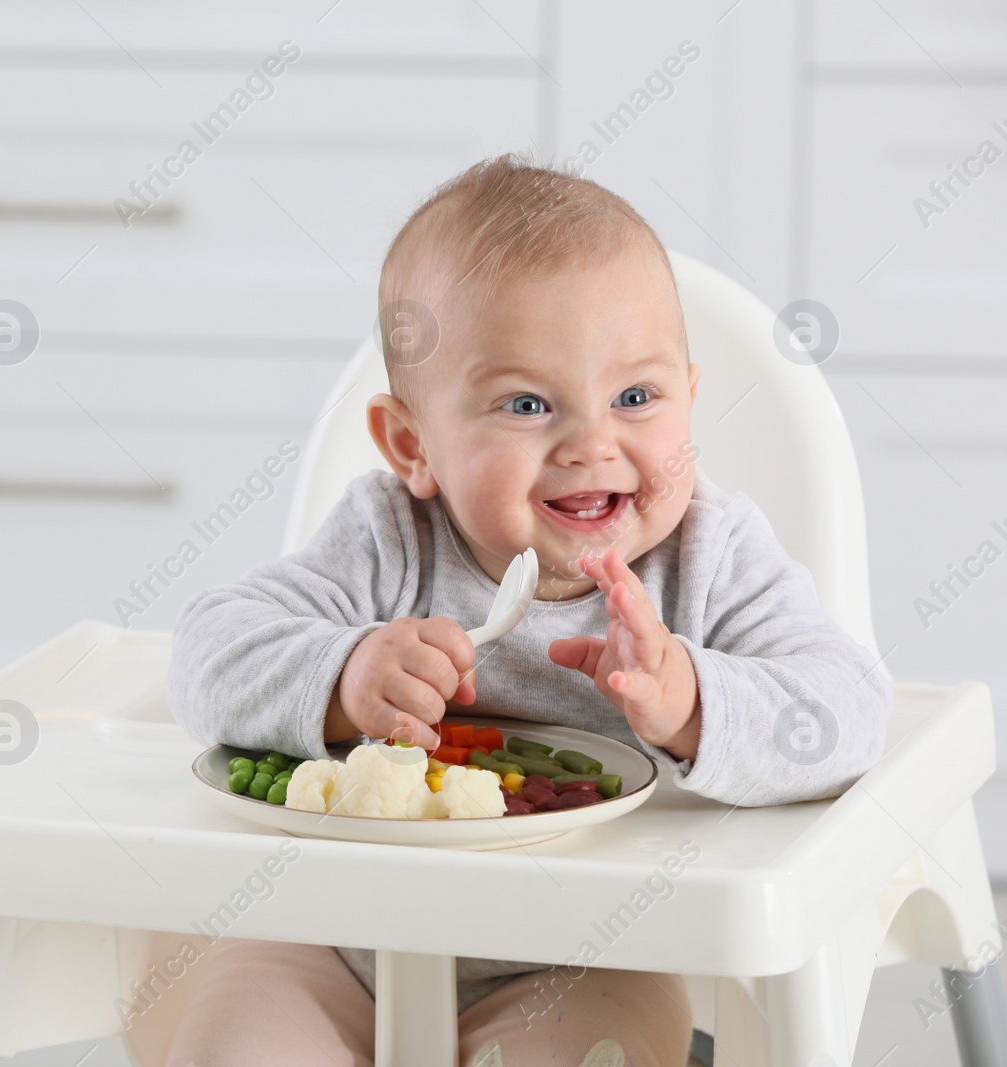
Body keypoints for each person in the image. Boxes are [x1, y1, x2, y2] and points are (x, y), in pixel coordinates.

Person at [162, 152, 892, 1066]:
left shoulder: (712, 555)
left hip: (587, 954)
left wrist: (693, 699)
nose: (592, 443)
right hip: (338, 942)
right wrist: (345, 673)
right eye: (526, 403)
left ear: (691, 403)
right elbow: (204, 653)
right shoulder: (391, 537)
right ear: (412, 444)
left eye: (635, 396)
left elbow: (851, 708)